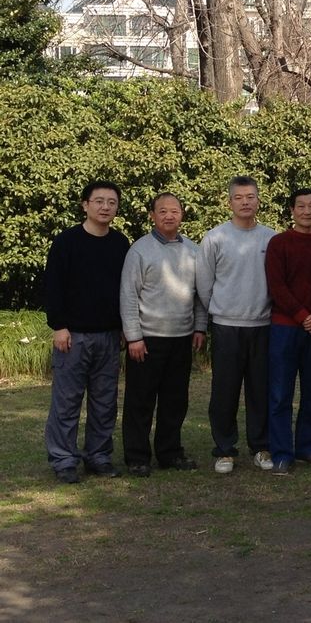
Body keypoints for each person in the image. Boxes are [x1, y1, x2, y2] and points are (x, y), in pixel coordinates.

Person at [44, 180, 131, 484]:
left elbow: (126, 290)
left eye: (111, 202)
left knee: (105, 402)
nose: (105, 207)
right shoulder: (66, 242)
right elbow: (53, 286)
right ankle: (64, 460)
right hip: (72, 336)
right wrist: (59, 326)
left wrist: (125, 328)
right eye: (99, 201)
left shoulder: (120, 244)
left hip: (109, 335)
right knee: (67, 402)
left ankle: (98, 456)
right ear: (85, 205)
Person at [120, 193, 207, 477]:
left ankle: (170, 453)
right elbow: (128, 296)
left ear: (182, 214)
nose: (169, 216)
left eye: (175, 211)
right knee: (140, 401)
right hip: (147, 339)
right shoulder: (140, 250)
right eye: (162, 211)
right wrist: (133, 336)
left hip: (182, 337)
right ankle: (137, 457)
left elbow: (199, 295)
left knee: (175, 400)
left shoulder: (193, 250)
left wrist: (199, 327)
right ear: (152, 215)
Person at [196, 176, 277, 475]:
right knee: (224, 391)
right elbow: (204, 285)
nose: (245, 202)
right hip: (226, 326)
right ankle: (224, 449)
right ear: (229, 201)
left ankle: (261, 446)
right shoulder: (215, 238)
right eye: (239, 197)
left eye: (250, 196)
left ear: (258, 200)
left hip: (263, 325)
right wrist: (221, 309)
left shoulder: (271, 238)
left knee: (261, 390)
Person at [264, 189, 311, 475]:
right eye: (301, 206)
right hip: (285, 327)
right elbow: (277, 286)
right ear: (292, 210)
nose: (307, 211)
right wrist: (303, 316)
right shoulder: (279, 243)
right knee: (280, 393)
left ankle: (307, 446)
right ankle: (281, 452)